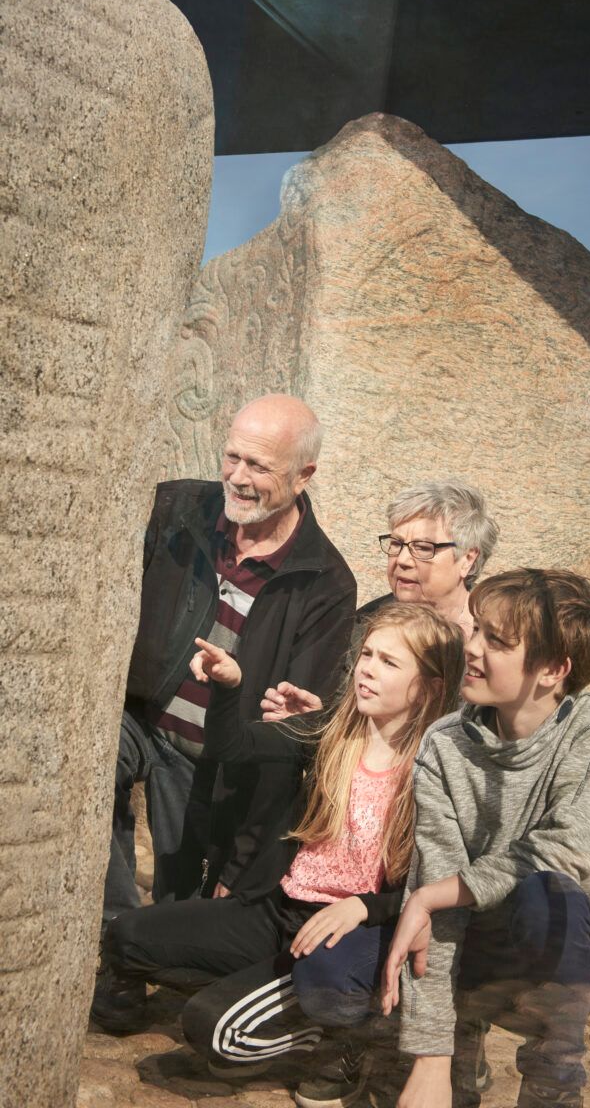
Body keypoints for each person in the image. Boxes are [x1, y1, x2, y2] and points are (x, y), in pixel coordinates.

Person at [101, 603, 465, 1108]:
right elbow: (232, 747)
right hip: (280, 912)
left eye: (389, 662)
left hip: (350, 933)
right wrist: (228, 688)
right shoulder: (329, 731)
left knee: (214, 1030)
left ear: (427, 687)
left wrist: (364, 906)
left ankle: (338, 1037)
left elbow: (437, 883)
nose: (367, 669)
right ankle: (270, 994)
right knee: (127, 935)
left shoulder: (436, 767)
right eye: (366, 654)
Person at [93, 394, 356, 1029]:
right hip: (141, 718)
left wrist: (243, 859)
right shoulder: (176, 509)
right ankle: (109, 942)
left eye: (259, 466)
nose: (237, 477)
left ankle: (135, 950)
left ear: (304, 475)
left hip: (213, 761)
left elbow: (292, 729)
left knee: (179, 905)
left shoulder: (325, 582)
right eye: (232, 457)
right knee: (87, 767)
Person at [381, 568, 590, 1108]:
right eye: (476, 630)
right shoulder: (444, 744)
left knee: (553, 894)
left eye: (496, 641)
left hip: (556, 947)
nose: (471, 648)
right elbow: (436, 901)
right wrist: (430, 1057)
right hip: (474, 946)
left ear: (553, 669)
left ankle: (553, 1087)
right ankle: (460, 1047)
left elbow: (568, 848)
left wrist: (438, 893)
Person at [261, 479, 499, 722]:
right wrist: (316, 721)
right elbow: (348, 719)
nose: (402, 560)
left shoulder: (494, 642)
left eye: (423, 548)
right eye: (396, 544)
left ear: (468, 559)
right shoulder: (364, 625)